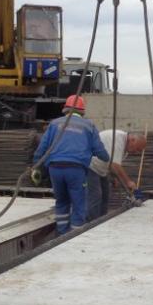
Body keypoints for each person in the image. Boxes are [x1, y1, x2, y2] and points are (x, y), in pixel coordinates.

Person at [32, 95, 110, 234]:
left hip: (55, 168)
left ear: (65, 109)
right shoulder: (88, 125)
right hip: (76, 169)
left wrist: (36, 166)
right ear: (82, 110)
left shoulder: (54, 124)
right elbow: (99, 150)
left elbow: (42, 148)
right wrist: (106, 158)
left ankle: (62, 233)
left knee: (61, 201)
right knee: (79, 203)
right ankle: (75, 234)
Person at [86, 129, 148, 218]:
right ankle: (90, 222)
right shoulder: (118, 139)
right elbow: (115, 165)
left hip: (101, 169)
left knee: (105, 196)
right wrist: (128, 182)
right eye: (137, 149)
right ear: (133, 140)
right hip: (90, 166)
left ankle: (101, 220)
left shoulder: (124, 147)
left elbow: (111, 162)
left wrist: (114, 177)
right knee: (95, 196)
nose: (136, 152)